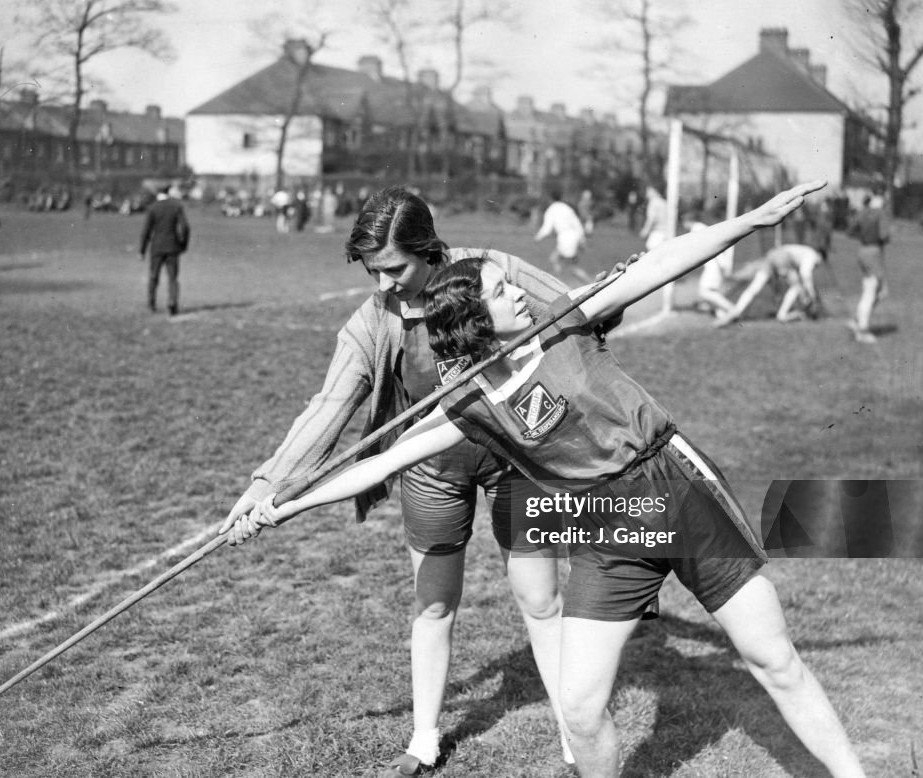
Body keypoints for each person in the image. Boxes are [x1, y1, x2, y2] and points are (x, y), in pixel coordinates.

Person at [240, 181, 866, 778]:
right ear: (479, 319)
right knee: (582, 711)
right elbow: (381, 462)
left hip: (675, 491)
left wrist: (751, 221)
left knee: (772, 659)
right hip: (608, 527)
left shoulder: (564, 321)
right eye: (501, 289)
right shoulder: (469, 404)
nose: (518, 289)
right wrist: (280, 505)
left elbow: (661, 264)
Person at [220, 186, 580, 775]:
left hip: (516, 461)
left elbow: (577, 310)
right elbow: (327, 407)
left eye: (395, 268)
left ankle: (575, 736)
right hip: (433, 470)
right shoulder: (373, 321)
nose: (384, 284)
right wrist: (265, 486)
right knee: (434, 605)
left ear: (428, 247)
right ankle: (424, 740)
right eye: (373, 271)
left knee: (540, 601)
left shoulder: (491, 273)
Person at [714, 244, 822, 327]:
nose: (817, 265)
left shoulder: (804, 250)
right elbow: (805, 274)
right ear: (820, 255)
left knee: (755, 288)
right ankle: (783, 314)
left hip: (772, 255)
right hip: (782, 257)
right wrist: (811, 294)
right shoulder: (813, 255)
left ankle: (736, 311)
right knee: (796, 286)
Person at [846, 193, 890, 344]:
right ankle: (862, 329)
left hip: (863, 251)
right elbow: (884, 236)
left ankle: (857, 320)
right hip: (874, 252)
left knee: (874, 289)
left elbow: (850, 231)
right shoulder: (881, 214)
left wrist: (864, 235)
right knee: (872, 291)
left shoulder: (862, 213)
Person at [139, 185, 190, 316]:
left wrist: (142, 250)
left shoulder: (153, 208)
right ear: (168, 192)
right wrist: (183, 244)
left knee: (153, 276)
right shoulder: (176, 206)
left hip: (157, 247)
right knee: (173, 278)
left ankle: (151, 303)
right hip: (173, 247)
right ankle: (172, 302)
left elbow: (146, 231)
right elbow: (185, 227)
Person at [682, 214, 734, 320]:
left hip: (714, 265)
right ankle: (722, 313)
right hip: (716, 264)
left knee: (704, 291)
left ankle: (731, 309)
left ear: (688, 221)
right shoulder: (700, 227)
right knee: (712, 291)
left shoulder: (697, 229)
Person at [535, 189, 591, 282]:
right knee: (555, 259)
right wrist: (582, 239)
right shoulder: (567, 208)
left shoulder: (551, 209)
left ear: (550, 198)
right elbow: (577, 224)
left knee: (571, 267)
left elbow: (547, 228)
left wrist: (538, 237)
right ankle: (558, 281)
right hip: (574, 237)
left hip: (565, 239)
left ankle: (558, 283)